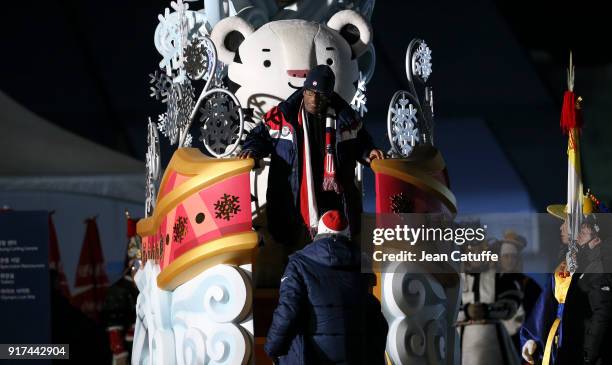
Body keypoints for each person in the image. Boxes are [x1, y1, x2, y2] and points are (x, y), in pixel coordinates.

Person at [239, 65, 384, 246]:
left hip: (334, 200)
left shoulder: (346, 119)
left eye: (321, 95)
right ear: (304, 90)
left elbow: (360, 143)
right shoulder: (284, 116)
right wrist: (252, 150)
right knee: (292, 252)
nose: (314, 99)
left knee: (336, 252)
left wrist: (369, 151)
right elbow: (259, 136)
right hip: (292, 200)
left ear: (330, 95)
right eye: (310, 92)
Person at [264, 210, 387, 364]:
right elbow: (373, 316)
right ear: (347, 233)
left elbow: (288, 310)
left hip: (311, 356)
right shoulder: (362, 264)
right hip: (355, 356)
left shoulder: (299, 264)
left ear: (318, 232)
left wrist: (273, 348)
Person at [520, 195, 612, 365]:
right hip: (560, 342)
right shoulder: (566, 263)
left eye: (566, 223)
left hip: (579, 343)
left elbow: (602, 311)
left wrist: (588, 354)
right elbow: (547, 303)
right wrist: (534, 337)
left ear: (584, 229)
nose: (561, 228)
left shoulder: (597, 263)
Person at [457, 227, 523, 365]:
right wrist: (467, 311)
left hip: (495, 348)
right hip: (461, 349)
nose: (476, 255)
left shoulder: (501, 278)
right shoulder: (456, 281)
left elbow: (512, 304)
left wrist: (487, 310)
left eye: (479, 250)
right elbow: (446, 310)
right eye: (471, 250)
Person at [492, 230, 542, 353]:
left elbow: (539, 314)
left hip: (521, 341)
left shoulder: (528, 284)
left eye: (513, 256)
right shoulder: (490, 283)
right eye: (506, 256)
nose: (510, 260)